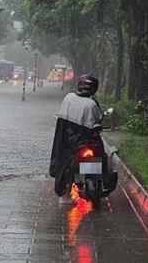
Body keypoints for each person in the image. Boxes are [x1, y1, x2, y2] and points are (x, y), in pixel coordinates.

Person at [49, 74, 103, 203]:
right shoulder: (92, 104)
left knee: (65, 164)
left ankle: (65, 194)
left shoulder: (68, 97)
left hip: (65, 139)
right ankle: (95, 178)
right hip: (84, 139)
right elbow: (96, 122)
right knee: (99, 156)